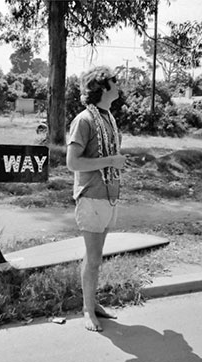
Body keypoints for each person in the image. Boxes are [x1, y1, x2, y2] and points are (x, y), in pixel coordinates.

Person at [66, 66, 130, 332]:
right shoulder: (84, 120)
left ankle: (93, 304)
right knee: (92, 259)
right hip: (91, 197)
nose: (118, 85)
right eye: (114, 81)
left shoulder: (108, 118)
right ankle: (87, 310)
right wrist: (111, 161)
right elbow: (72, 163)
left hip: (107, 197)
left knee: (96, 258)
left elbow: (105, 156)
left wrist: (115, 162)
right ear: (103, 87)